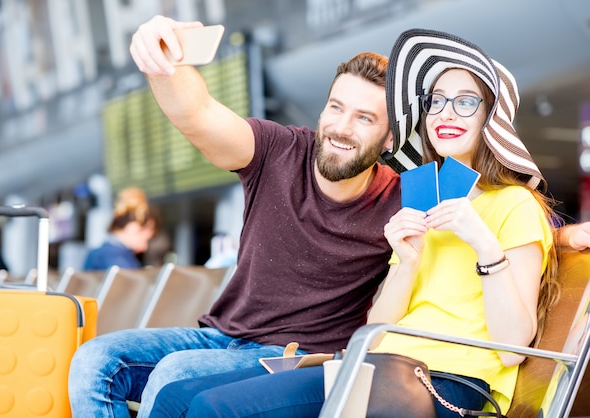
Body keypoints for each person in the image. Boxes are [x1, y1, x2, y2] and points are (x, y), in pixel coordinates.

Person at [145, 28, 564, 418]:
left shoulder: (515, 205)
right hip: (377, 364)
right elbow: (376, 329)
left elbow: (511, 349)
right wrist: (409, 262)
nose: (446, 113)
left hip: (449, 383)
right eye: (436, 100)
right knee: (174, 398)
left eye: (466, 101)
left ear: (490, 117)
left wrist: (483, 244)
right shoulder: (420, 198)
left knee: (213, 409)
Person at [68, 16, 403, 418]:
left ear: (390, 139)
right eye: (336, 107)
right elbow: (198, 113)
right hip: (220, 337)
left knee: (175, 374)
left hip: (297, 361)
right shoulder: (279, 150)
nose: (341, 127)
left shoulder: (399, 200)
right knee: (94, 360)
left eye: (364, 118)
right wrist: (162, 60)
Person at [82, 187, 158, 270]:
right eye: (145, 239)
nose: (145, 247)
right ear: (133, 228)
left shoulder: (99, 253)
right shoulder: (116, 259)